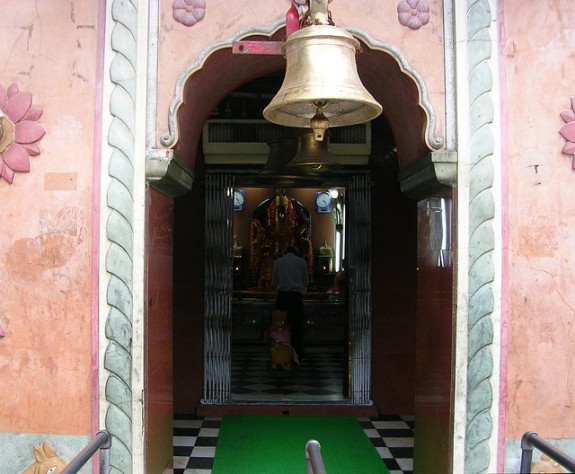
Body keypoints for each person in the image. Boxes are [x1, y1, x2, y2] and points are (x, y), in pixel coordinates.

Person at [271, 245, 309, 358]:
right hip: (296, 298)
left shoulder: (278, 262)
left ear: (285, 252)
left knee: (281, 326)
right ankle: (296, 353)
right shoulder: (301, 262)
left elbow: (274, 282)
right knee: (297, 326)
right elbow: (306, 282)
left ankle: (281, 352)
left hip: (282, 297)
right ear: (296, 252)